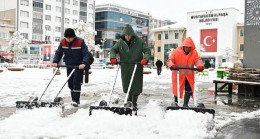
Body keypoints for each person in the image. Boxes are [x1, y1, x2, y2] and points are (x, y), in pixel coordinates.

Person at [110, 24, 151, 110]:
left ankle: (134, 102)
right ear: (124, 35)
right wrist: (113, 57)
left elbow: (147, 50)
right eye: (126, 35)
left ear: (132, 35)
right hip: (125, 67)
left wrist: (145, 59)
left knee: (136, 85)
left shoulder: (139, 41)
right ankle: (129, 101)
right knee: (127, 84)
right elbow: (113, 49)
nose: (128, 37)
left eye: (129, 35)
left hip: (137, 66)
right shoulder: (120, 42)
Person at [52, 28, 91, 107]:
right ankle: (74, 99)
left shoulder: (80, 42)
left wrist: (84, 63)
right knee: (70, 84)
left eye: (70, 38)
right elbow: (59, 52)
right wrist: (55, 61)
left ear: (74, 37)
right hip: (69, 65)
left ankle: (75, 100)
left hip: (79, 66)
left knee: (76, 82)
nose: (68, 39)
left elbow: (86, 54)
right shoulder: (63, 42)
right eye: (67, 38)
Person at [167, 37, 204, 107]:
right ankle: (176, 102)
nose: (188, 49)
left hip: (189, 75)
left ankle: (185, 104)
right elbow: (170, 60)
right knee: (177, 89)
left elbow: (198, 60)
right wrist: (172, 65)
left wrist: (200, 66)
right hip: (178, 74)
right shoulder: (176, 52)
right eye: (186, 47)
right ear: (183, 46)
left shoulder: (194, 52)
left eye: (189, 47)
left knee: (189, 89)